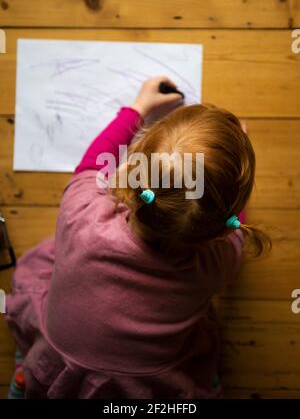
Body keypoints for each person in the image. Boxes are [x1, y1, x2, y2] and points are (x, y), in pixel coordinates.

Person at [5, 77, 271, 398]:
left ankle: (28, 377)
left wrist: (137, 109)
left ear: (134, 169)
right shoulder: (217, 264)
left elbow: (92, 164)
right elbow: (235, 231)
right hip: (148, 385)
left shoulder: (83, 218)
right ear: (224, 224)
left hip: (60, 363)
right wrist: (232, 165)